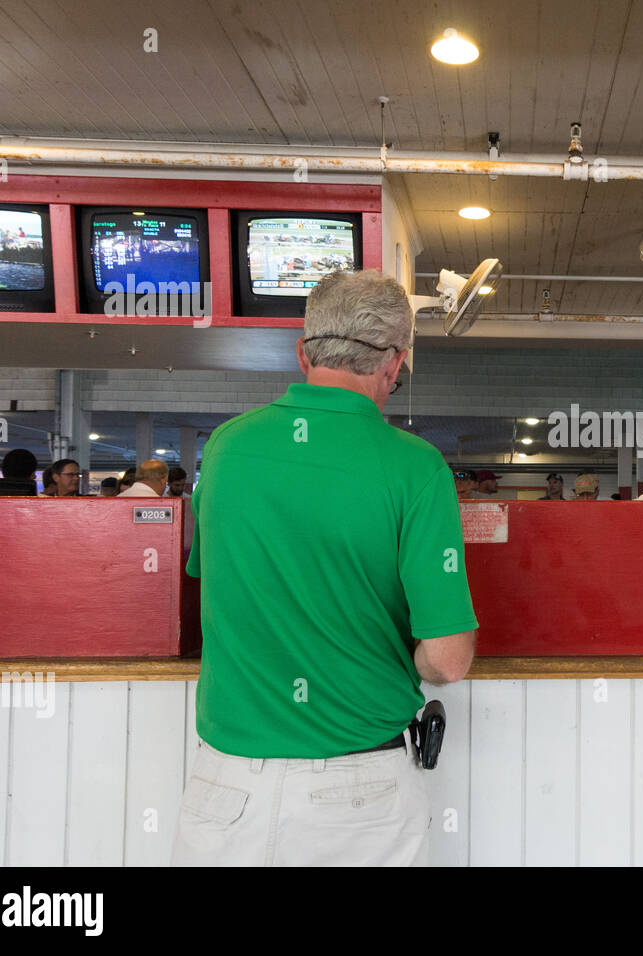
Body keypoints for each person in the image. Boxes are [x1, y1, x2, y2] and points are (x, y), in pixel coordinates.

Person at [171, 270, 476, 868]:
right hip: (360, 790)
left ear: (303, 352)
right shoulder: (415, 469)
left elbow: (221, 584)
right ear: (395, 362)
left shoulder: (227, 448)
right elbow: (446, 660)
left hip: (225, 783)